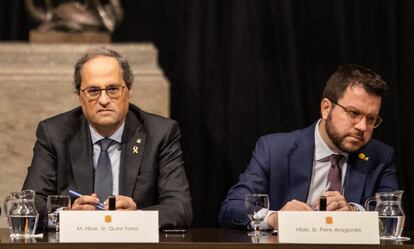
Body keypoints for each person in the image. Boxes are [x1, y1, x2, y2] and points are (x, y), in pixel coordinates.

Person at [23, 47, 192, 229]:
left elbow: (179, 207)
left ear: (129, 92)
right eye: (93, 91)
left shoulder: (160, 133)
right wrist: (66, 215)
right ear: (80, 97)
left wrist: (137, 217)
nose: (104, 100)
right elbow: (30, 204)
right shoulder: (54, 133)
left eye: (112, 89)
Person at [218, 64, 398, 230]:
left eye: (371, 119)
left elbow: (391, 221)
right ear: (326, 108)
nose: (362, 127)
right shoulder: (275, 150)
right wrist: (275, 218)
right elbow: (232, 208)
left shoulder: (380, 158)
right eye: (354, 113)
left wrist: (356, 214)